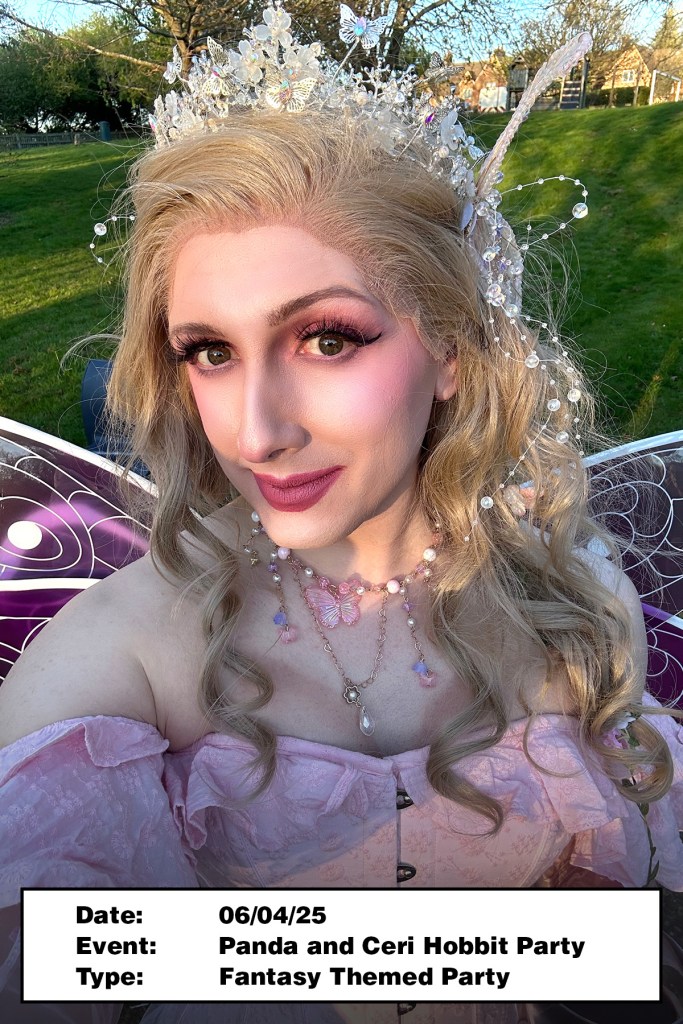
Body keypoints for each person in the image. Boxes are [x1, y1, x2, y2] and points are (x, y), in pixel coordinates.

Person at [0, 6, 681, 1024]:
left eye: (325, 339)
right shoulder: (123, 653)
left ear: (449, 348)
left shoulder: (568, 597)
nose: (256, 432)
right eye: (210, 352)